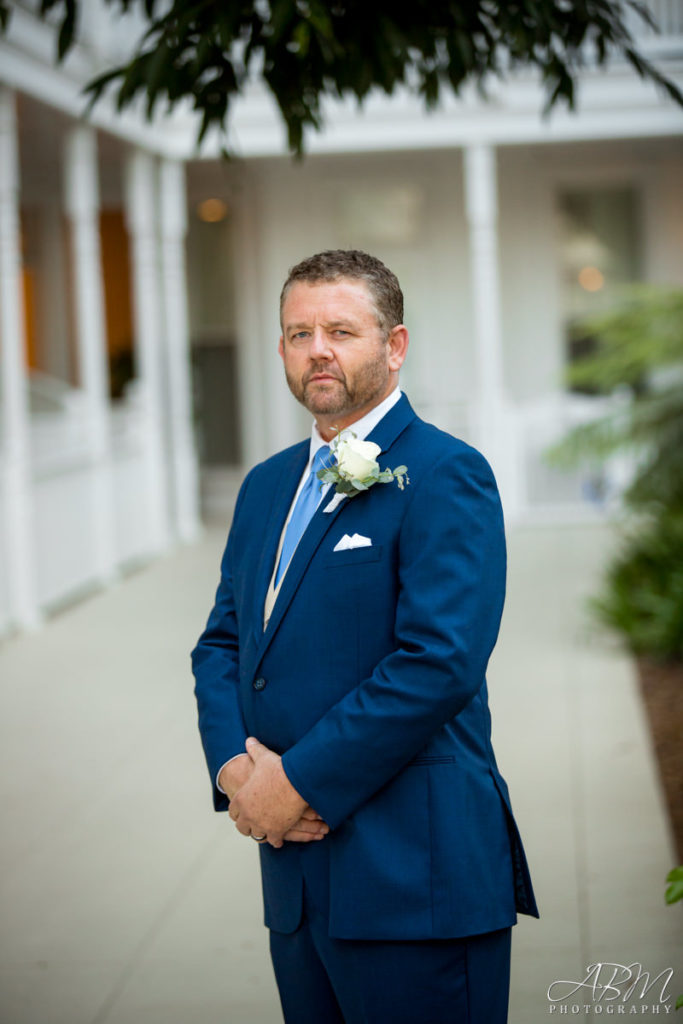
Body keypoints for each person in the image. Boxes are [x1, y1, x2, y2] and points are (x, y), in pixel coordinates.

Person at [191, 249, 538, 1024]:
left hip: (414, 875)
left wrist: (295, 782)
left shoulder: (448, 473)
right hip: (295, 882)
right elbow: (221, 644)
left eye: (340, 330)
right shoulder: (265, 485)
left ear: (394, 345)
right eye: (297, 332)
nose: (317, 349)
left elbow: (437, 663)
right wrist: (234, 776)